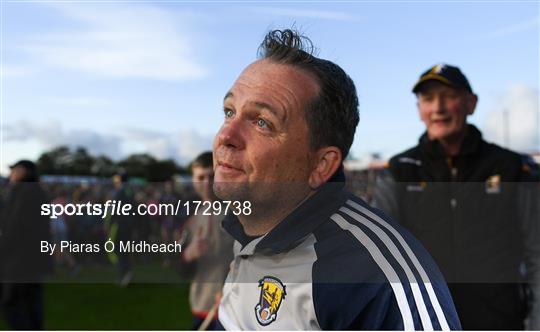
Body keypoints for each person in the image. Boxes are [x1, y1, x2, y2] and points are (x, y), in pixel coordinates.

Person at [212, 29, 461, 330]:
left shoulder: (379, 280)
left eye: (262, 122)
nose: (225, 136)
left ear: (322, 164)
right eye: (229, 112)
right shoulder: (248, 227)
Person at [374, 63, 540, 329]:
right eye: (428, 99)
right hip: (426, 324)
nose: (438, 108)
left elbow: (536, 253)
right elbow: (381, 261)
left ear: (471, 103)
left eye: (448, 96)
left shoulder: (511, 168)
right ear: (419, 110)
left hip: (501, 322)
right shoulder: (398, 171)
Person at [178, 152, 234, 330]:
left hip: (234, 306)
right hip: (201, 306)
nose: (207, 183)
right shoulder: (189, 217)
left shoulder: (240, 212)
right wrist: (188, 255)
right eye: (201, 177)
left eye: (212, 175)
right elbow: (181, 271)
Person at [0, 160, 52, 329]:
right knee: (31, 303)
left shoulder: (22, 193)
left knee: (13, 304)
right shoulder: (39, 192)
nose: (11, 175)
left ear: (23, 171)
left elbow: (13, 227)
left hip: (18, 261)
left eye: (14, 170)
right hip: (33, 260)